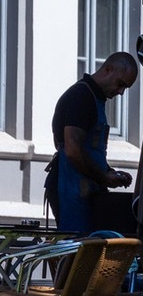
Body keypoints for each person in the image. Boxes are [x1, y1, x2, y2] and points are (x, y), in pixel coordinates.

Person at [46, 52, 138, 232]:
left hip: (81, 189)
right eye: (120, 84)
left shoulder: (93, 98)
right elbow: (72, 150)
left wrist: (109, 171)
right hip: (70, 190)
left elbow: (89, 150)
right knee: (77, 251)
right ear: (108, 69)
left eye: (125, 88)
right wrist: (104, 177)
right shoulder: (81, 96)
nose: (120, 92)